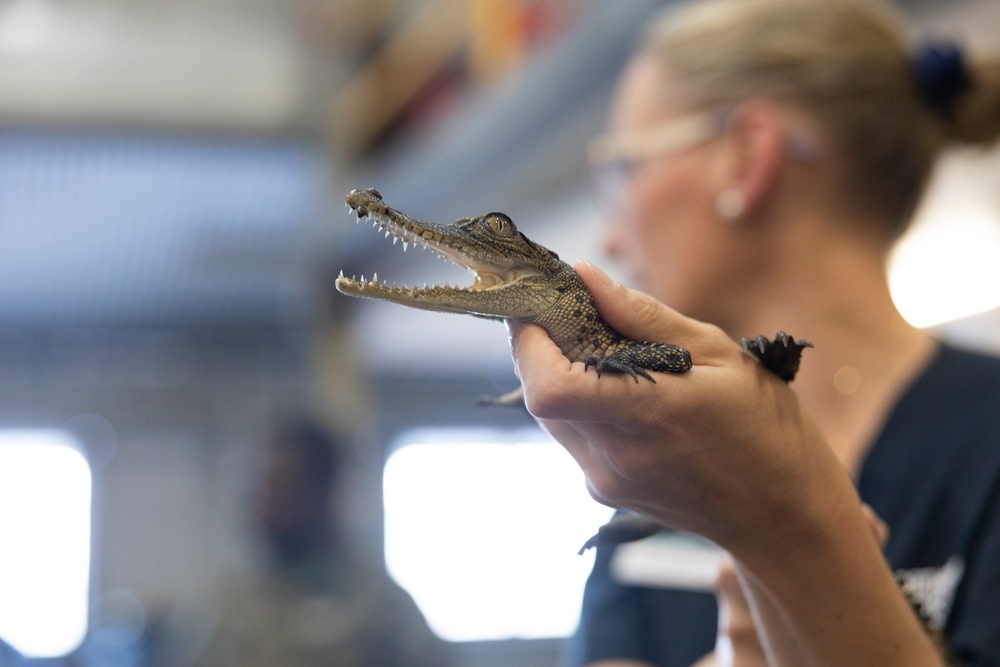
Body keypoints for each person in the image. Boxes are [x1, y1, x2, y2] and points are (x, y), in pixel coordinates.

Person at [508, 0, 1000, 665]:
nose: (612, 234)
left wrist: (789, 532)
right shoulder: (663, 484)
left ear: (747, 156)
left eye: (624, 167)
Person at [168, 419, 451, 667]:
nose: (265, 504)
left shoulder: (381, 611)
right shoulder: (226, 609)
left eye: (282, 488)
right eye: (262, 488)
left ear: (324, 493)